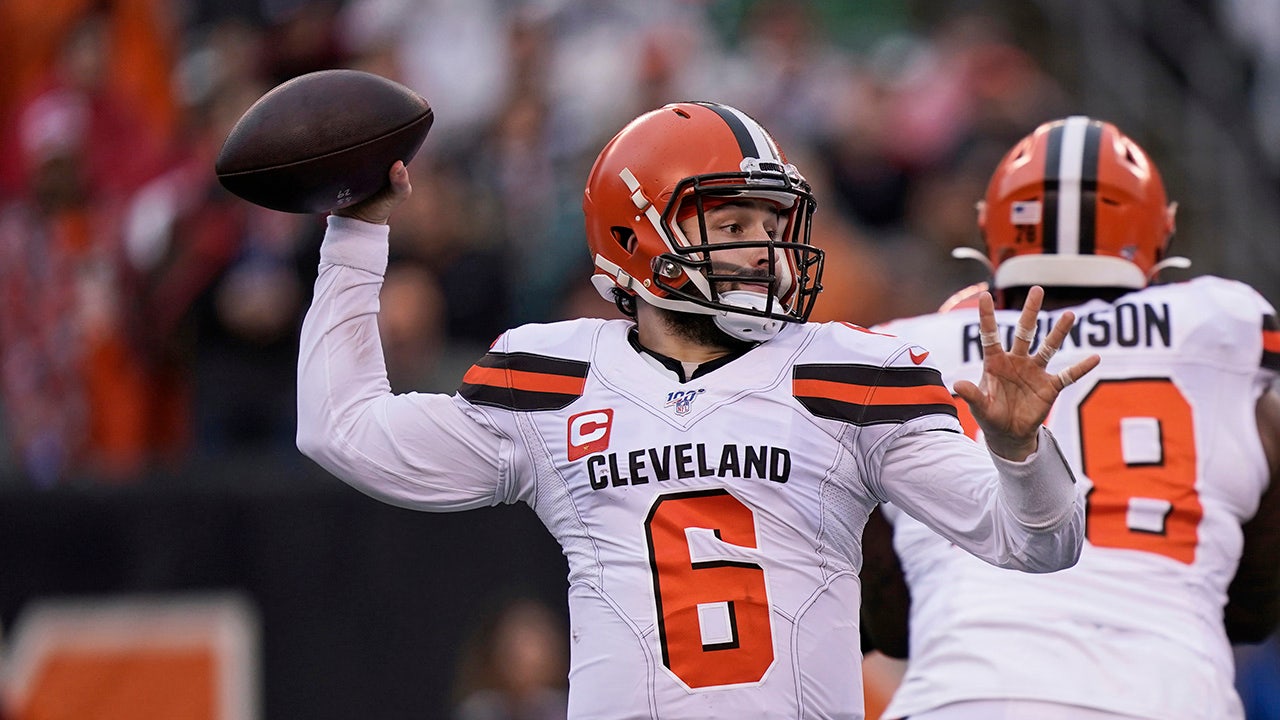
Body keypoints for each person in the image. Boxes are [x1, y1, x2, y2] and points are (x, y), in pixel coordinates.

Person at [295, 101, 1099, 719]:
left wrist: (1020, 453)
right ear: (637, 231)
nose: (763, 247)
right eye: (732, 222)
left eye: (773, 223)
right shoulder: (555, 377)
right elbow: (345, 431)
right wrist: (355, 235)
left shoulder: (852, 372)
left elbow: (1041, 545)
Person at [862, 115, 1280, 720]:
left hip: (965, 695)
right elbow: (1254, 608)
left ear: (993, 231)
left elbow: (891, 618)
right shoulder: (1225, 333)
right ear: (1159, 234)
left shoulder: (908, 354)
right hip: (1170, 694)